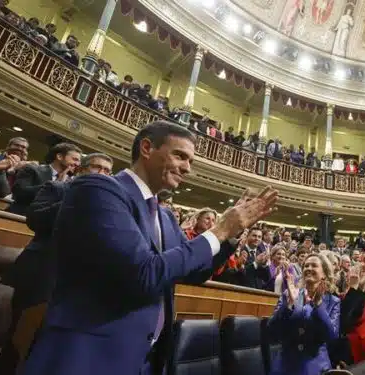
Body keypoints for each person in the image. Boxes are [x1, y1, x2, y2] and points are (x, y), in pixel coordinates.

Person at [21, 121, 279, 375]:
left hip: (145, 358)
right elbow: (144, 273)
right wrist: (220, 229)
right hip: (88, 356)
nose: (187, 168)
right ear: (146, 148)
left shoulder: (165, 217)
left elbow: (192, 271)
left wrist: (231, 235)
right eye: (180, 156)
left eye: (190, 161)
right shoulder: (99, 190)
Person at [0, 153, 113, 375]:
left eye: (107, 171)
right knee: (18, 340)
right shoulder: (58, 188)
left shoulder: (107, 205)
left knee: (48, 345)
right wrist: (78, 199)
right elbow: (35, 219)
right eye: (97, 168)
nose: (102, 174)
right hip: (40, 272)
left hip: (73, 283)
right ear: (81, 170)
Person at [268, 253, 340, 375]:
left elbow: (331, 336)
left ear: (324, 273)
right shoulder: (289, 294)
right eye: (306, 266)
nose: (309, 268)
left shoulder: (333, 301)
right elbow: (272, 329)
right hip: (286, 366)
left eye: (314, 265)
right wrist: (289, 305)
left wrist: (318, 306)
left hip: (316, 367)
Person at [8, 142, 82, 215]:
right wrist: (54, 185)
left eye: (79, 161)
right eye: (75, 159)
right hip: (18, 217)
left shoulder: (70, 182)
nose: (77, 164)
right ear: (59, 157)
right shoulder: (32, 169)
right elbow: (19, 193)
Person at [339, 265, 365, 364]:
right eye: (355, 272)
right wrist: (352, 290)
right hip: (348, 346)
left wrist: (356, 290)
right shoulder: (345, 296)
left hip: (364, 346)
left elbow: (357, 317)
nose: (357, 276)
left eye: (361, 273)